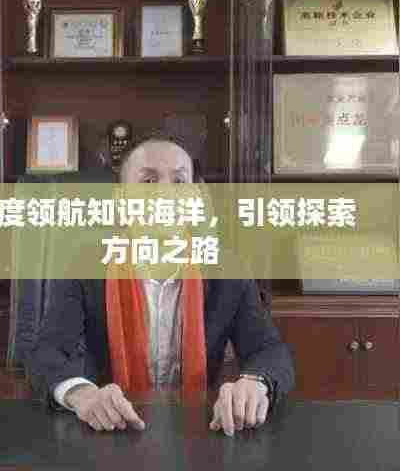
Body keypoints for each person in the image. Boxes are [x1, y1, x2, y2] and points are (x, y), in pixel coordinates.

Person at [25, 130, 295, 437]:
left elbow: (269, 350)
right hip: (109, 430)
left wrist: (255, 383)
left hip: (200, 431)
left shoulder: (228, 269)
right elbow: (45, 352)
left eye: (179, 181)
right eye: (149, 181)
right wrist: (82, 395)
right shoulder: (85, 266)